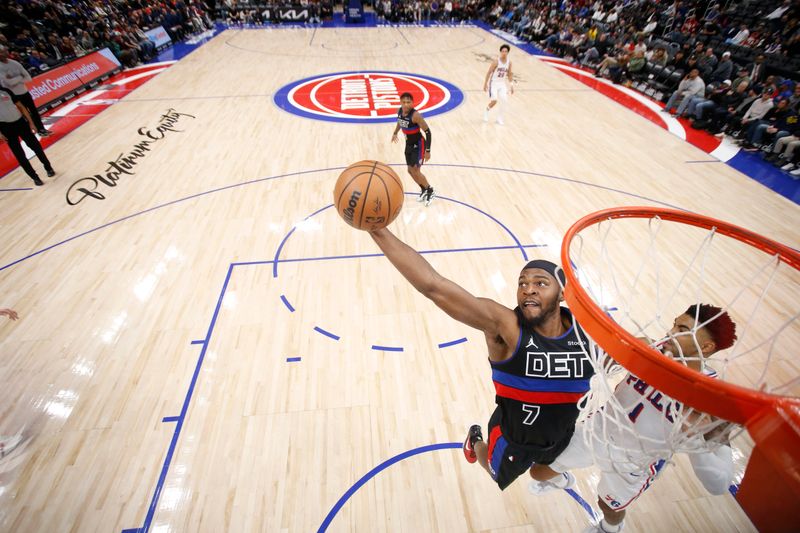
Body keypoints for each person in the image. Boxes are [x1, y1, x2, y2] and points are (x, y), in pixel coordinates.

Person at [367, 226, 596, 491]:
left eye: (540, 283)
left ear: (562, 294)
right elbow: (434, 286)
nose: (528, 290)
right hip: (513, 440)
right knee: (496, 473)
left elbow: (630, 352)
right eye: (522, 284)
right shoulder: (506, 327)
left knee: (541, 471)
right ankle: (475, 441)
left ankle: (551, 476)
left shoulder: (587, 333)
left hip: (562, 434)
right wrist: (378, 231)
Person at [528, 304, 737, 533]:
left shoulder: (712, 400)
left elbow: (718, 484)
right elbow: (599, 363)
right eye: (675, 324)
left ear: (705, 347)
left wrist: (696, 437)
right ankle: (564, 480)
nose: (670, 332)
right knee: (537, 472)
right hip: (597, 430)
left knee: (607, 506)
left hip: (635, 463)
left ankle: (610, 529)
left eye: (682, 329)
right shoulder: (650, 349)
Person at [0, 84, 55, 186]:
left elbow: (21, 107)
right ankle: (35, 177)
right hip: (5, 127)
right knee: (19, 154)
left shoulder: (6, 91)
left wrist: (31, 122)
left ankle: (48, 167)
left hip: (20, 123)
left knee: (36, 147)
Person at [392, 92, 434, 206]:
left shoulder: (416, 115)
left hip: (419, 145)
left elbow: (428, 132)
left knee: (416, 170)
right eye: (404, 102)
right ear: (400, 102)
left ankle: (430, 190)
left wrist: (428, 151)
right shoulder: (399, 111)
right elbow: (400, 122)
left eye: (408, 102)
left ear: (412, 103)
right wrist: (395, 132)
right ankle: (424, 189)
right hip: (409, 144)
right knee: (410, 171)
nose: (406, 104)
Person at [0, 45, 50, 137]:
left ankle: (41, 129)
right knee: (23, 115)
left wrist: (16, 79)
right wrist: (20, 77)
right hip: (14, 96)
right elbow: (8, 83)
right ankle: (30, 133)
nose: (3, 53)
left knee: (34, 111)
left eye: (4, 51)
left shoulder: (14, 63)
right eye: (1, 52)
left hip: (24, 92)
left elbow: (28, 77)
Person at [483, 44, 514, 125]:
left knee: (504, 101)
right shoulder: (496, 62)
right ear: (500, 52)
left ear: (508, 53)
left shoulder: (509, 62)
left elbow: (509, 74)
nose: (504, 53)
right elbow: (489, 72)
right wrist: (485, 83)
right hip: (494, 83)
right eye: (503, 51)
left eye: (506, 51)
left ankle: (499, 118)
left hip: (502, 83)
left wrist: (511, 85)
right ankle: (486, 110)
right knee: (494, 100)